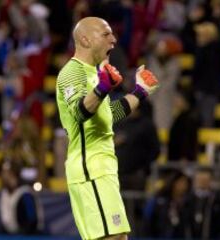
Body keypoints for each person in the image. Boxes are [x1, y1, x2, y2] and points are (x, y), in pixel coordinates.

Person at [56, 17, 159, 240]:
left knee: (118, 237)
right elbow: (80, 112)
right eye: (105, 34)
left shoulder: (93, 73)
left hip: (102, 169)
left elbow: (108, 116)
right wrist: (103, 87)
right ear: (84, 39)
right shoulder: (72, 72)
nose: (113, 40)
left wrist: (140, 92)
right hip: (90, 169)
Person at [0, 161, 43, 235]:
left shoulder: (25, 193)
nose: (2, 176)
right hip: (12, 235)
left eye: (5, 173)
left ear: (12, 174)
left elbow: (31, 221)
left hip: (28, 236)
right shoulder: (5, 192)